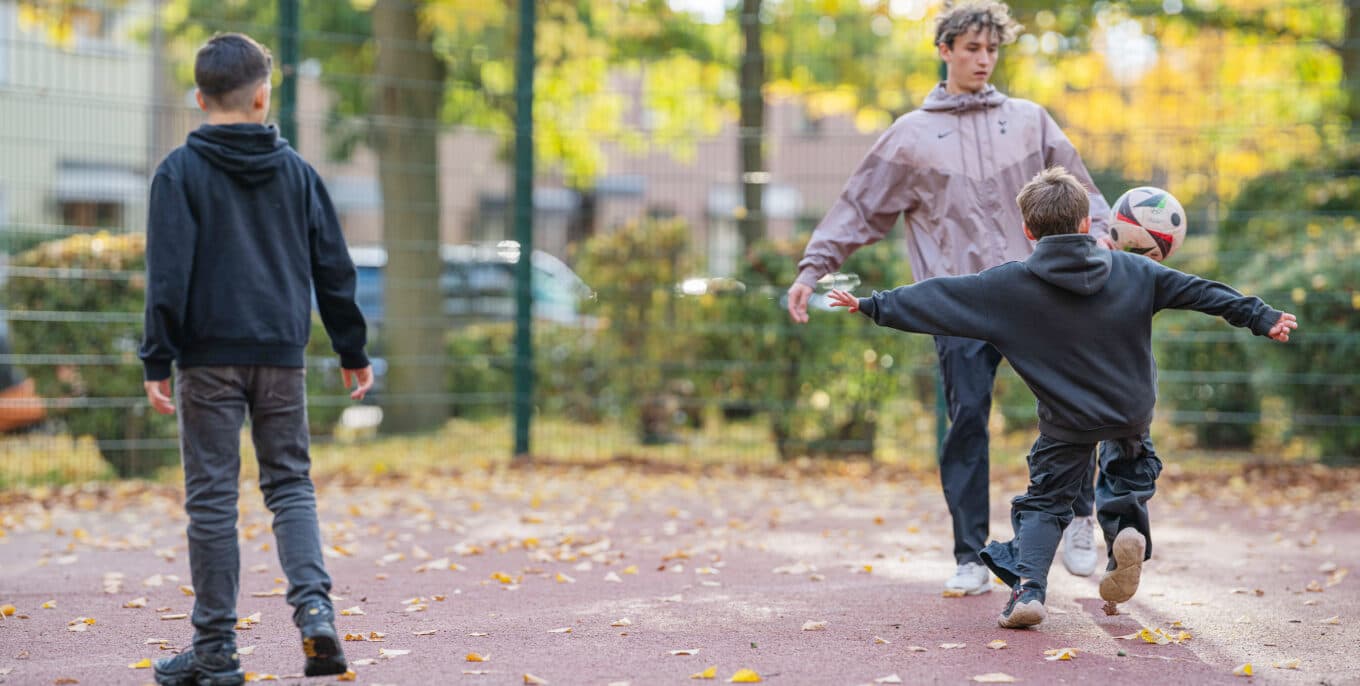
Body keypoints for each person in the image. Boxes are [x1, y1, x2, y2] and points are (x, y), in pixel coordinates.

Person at [827, 166, 1297, 628]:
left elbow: (941, 297)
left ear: (1028, 230)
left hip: (1067, 421)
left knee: (1046, 501)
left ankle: (1029, 590)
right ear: (1088, 223)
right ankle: (1126, 530)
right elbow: (1203, 292)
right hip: (1130, 410)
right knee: (1129, 472)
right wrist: (1261, 316)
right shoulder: (1136, 271)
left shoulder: (1007, 286)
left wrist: (874, 305)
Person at [787, 0, 1111, 593]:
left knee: (1075, 404)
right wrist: (814, 269)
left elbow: (1081, 191)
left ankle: (1080, 516)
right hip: (962, 301)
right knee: (966, 423)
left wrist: (1105, 240)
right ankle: (970, 555)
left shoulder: (1031, 121)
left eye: (992, 49)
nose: (984, 60)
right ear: (945, 50)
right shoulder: (911, 135)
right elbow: (858, 207)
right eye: (972, 49)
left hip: (1037, 289)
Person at [140, 33, 373, 686]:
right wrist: (351, 349)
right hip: (280, 358)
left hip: (207, 360)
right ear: (263, 97)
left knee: (212, 498)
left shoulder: (178, 173)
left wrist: (157, 357)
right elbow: (334, 268)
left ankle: (216, 652)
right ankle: (316, 613)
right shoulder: (298, 173)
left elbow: (166, 277)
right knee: (290, 485)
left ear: (199, 99)